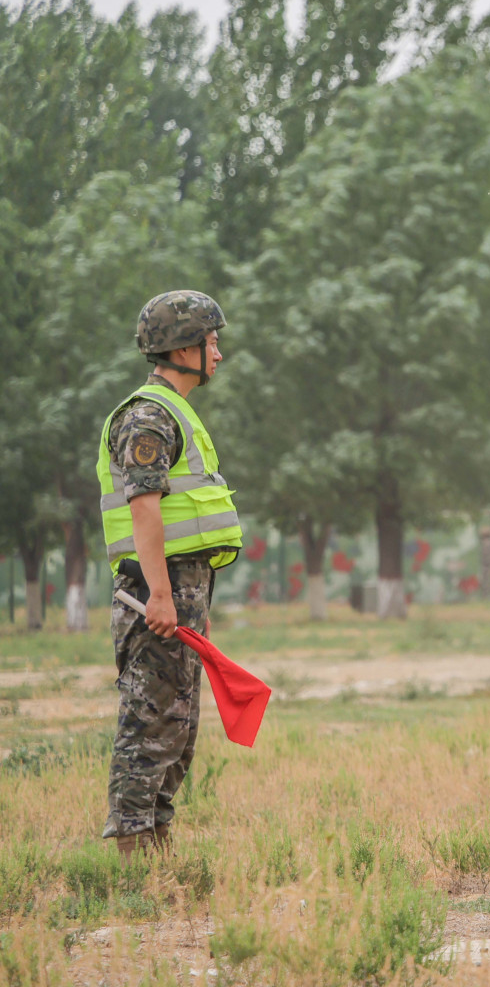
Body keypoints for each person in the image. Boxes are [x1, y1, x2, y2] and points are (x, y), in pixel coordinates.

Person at [98, 291, 244, 855]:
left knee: (176, 730)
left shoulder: (175, 412)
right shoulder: (149, 416)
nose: (219, 354)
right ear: (182, 348)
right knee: (149, 727)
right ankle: (133, 869)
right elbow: (144, 507)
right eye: (211, 342)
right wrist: (160, 593)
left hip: (181, 591)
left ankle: (158, 861)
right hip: (155, 593)